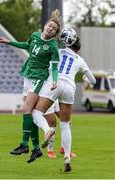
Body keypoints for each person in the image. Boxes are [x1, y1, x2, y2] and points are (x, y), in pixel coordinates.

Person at [0, 9, 61, 163]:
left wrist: (55, 80)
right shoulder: (35, 35)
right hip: (27, 75)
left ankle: (25, 144)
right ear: (45, 26)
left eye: (54, 29)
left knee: (26, 109)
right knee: (30, 112)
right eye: (49, 26)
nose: (50, 29)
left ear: (54, 34)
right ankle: (36, 149)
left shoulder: (52, 47)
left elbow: (54, 67)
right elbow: (26, 45)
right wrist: (8, 42)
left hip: (39, 78)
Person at [32, 27, 96, 172]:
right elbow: (92, 80)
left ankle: (47, 130)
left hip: (54, 84)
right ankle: (67, 157)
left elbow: (43, 62)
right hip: (69, 87)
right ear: (75, 46)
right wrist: (85, 78)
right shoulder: (80, 60)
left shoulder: (57, 52)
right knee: (66, 124)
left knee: (36, 112)